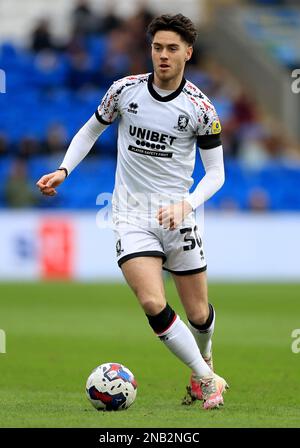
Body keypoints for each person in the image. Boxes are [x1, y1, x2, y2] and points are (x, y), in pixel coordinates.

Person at [36, 14, 229, 410]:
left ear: (188, 52)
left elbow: (216, 174)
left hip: (179, 215)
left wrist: (187, 204)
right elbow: (91, 129)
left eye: (172, 48)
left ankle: (203, 360)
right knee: (152, 302)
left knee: (198, 314)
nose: (163, 55)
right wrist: (63, 169)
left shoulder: (201, 108)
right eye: (157, 47)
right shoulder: (124, 91)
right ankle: (209, 381)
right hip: (130, 215)